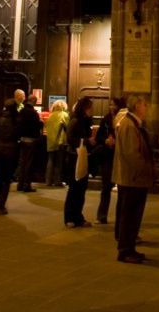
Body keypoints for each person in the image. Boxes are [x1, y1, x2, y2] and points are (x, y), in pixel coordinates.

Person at [112, 92, 155, 263]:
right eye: (144, 104)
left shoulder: (132, 123)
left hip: (133, 178)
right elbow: (132, 155)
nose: (146, 107)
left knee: (132, 216)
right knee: (129, 215)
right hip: (133, 179)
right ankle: (125, 250)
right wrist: (145, 171)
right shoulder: (129, 125)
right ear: (137, 106)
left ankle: (130, 248)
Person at [64, 96, 95, 227]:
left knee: (81, 189)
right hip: (74, 157)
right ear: (84, 109)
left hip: (82, 156)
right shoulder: (75, 121)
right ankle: (69, 217)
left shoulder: (86, 121)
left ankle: (78, 217)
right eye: (90, 108)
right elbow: (70, 139)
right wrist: (87, 141)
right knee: (74, 188)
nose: (92, 110)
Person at [94, 96, 124, 223]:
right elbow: (99, 136)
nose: (112, 107)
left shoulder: (123, 119)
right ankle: (102, 215)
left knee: (122, 188)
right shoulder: (106, 119)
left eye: (114, 105)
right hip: (108, 155)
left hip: (120, 156)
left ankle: (121, 217)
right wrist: (105, 140)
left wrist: (118, 142)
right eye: (110, 105)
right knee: (106, 187)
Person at [16, 93, 42, 192]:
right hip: (31, 139)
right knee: (29, 163)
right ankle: (26, 185)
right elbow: (36, 127)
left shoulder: (21, 111)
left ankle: (20, 184)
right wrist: (40, 124)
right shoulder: (33, 113)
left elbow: (18, 124)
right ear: (34, 101)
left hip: (22, 138)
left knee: (22, 162)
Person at [45, 99, 69, 187]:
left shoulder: (50, 116)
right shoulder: (64, 115)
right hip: (60, 141)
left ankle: (48, 181)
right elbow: (68, 127)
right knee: (58, 162)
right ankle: (57, 181)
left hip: (50, 141)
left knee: (50, 160)